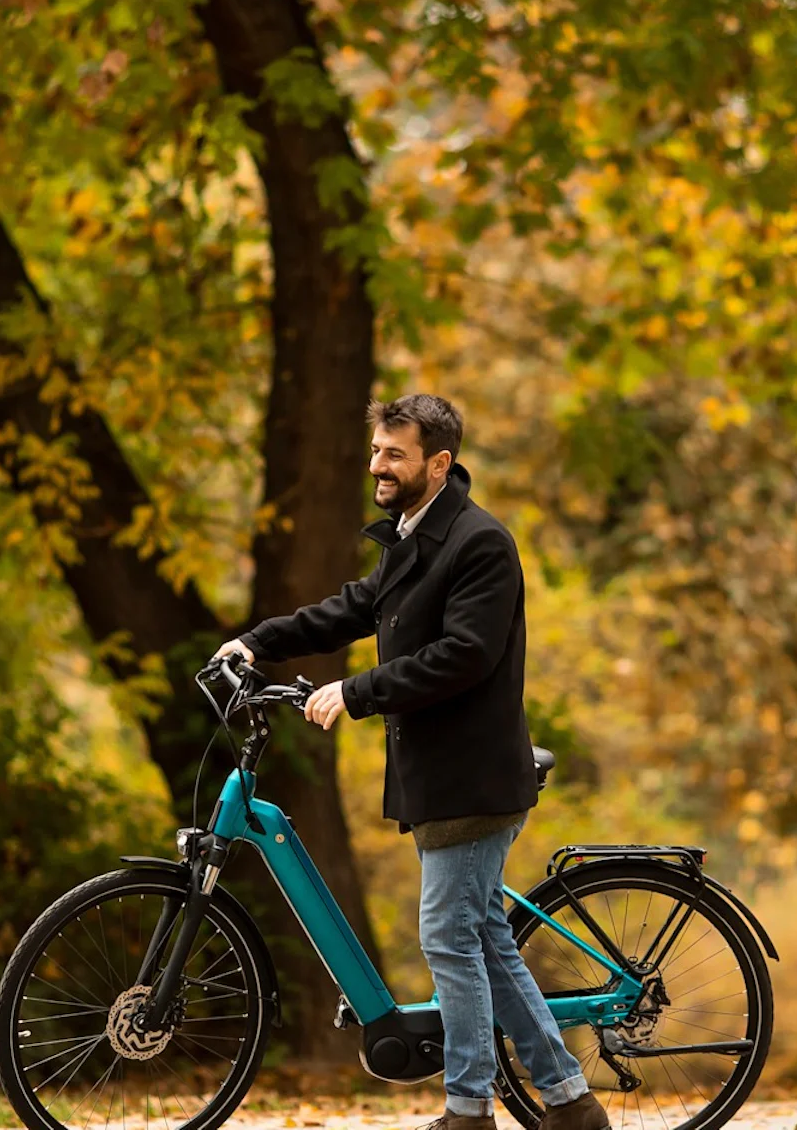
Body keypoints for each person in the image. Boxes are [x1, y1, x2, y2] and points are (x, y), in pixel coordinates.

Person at [214, 394, 609, 1130]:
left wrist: (354, 691)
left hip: (472, 774)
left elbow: (464, 654)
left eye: (394, 454)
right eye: (375, 452)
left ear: (439, 462)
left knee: (447, 938)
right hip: (439, 772)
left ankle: (468, 1111)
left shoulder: (479, 542)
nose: (378, 467)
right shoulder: (416, 536)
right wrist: (257, 640)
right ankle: (568, 1103)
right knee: (482, 938)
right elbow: (356, 606)